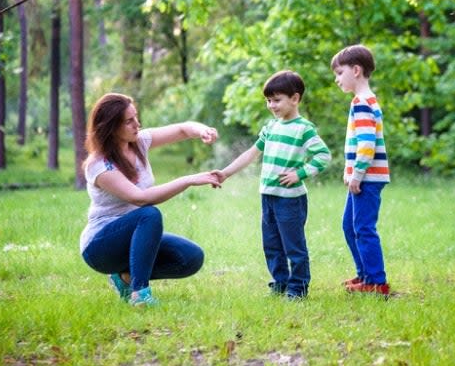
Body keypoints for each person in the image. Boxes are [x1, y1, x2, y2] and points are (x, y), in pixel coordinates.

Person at [79, 92, 221, 307]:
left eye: (135, 117)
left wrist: (203, 130)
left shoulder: (139, 142)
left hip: (135, 236)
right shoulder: (99, 165)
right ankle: (140, 294)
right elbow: (141, 199)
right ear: (111, 127)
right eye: (129, 121)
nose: (137, 124)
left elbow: (183, 129)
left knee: (191, 257)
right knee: (148, 214)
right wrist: (188, 180)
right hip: (100, 247)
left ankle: (124, 278)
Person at [214, 70, 331, 300]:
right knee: (271, 244)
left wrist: (300, 173)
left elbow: (323, 156)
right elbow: (251, 154)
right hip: (268, 196)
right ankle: (280, 282)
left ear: (295, 99)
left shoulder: (303, 128)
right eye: (268, 100)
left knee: (293, 247)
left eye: (276, 100)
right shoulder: (271, 128)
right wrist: (226, 173)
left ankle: (298, 289)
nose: (271, 105)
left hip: (290, 200)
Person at [330, 44, 391, 297]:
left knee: (363, 228)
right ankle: (365, 274)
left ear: (356, 70)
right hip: (363, 177)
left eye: (339, 73)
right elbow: (359, 144)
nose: (337, 79)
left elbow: (367, 145)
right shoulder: (363, 101)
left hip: (367, 178)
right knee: (349, 226)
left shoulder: (363, 103)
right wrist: (351, 171)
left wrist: (357, 175)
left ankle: (377, 281)